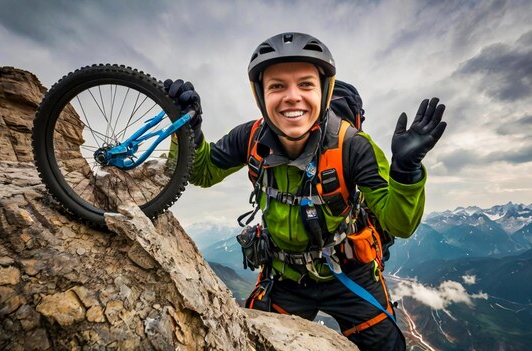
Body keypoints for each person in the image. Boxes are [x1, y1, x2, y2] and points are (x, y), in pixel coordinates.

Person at [163, 32, 446, 351]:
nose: (292, 97)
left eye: (306, 84)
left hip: (350, 272)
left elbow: (399, 224)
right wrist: (186, 130)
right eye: (277, 86)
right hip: (285, 276)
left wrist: (405, 172)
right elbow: (202, 171)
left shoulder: (353, 147)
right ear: (261, 95)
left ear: (324, 94)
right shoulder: (251, 137)